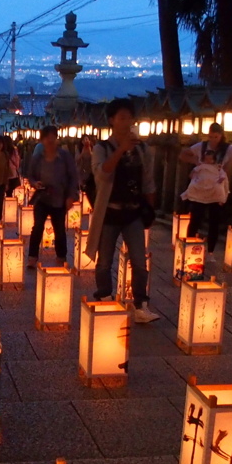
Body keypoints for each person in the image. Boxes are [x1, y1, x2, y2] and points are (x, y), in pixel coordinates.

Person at [85, 99, 160, 324]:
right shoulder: (101, 148)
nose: (127, 122)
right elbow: (102, 174)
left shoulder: (143, 149)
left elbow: (148, 181)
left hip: (134, 212)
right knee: (105, 259)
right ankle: (105, 297)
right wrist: (121, 150)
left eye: (129, 117)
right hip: (109, 211)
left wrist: (150, 207)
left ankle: (141, 304)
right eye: (122, 118)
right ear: (112, 121)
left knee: (139, 259)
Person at [179, 122, 232, 263]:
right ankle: (188, 247)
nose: (212, 140)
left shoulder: (227, 149)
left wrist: (231, 164)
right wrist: (195, 161)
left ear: (221, 136)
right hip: (200, 187)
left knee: (214, 221)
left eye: (216, 137)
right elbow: (183, 154)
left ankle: (210, 251)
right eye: (210, 136)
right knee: (195, 219)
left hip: (216, 188)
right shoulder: (202, 146)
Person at [26, 125, 79, 268]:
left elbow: (73, 177)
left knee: (59, 228)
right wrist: (34, 183)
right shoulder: (38, 157)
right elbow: (30, 175)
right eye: (47, 138)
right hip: (42, 196)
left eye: (52, 137)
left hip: (59, 198)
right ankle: (32, 257)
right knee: (37, 227)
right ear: (42, 140)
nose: (50, 141)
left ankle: (61, 257)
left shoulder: (64, 156)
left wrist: (70, 196)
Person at [76, 134, 96, 208]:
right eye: (84, 140)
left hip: (90, 172)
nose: (86, 141)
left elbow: (94, 159)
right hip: (82, 172)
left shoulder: (93, 148)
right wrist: (83, 152)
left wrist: (90, 152)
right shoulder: (79, 149)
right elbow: (77, 160)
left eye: (87, 139)